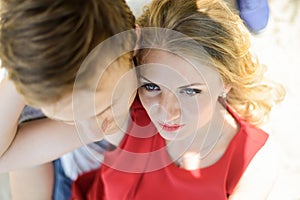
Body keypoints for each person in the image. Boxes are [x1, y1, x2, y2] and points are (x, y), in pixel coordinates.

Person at [71, 0, 285, 199]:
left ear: (226, 81)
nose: (167, 112)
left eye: (190, 91)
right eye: (152, 86)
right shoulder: (130, 112)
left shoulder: (255, 162)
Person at [0, 0, 137, 199]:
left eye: (101, 109)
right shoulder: (47, 90)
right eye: (69, 120)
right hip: (75, 177)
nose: (92, 131)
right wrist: (21, 70)